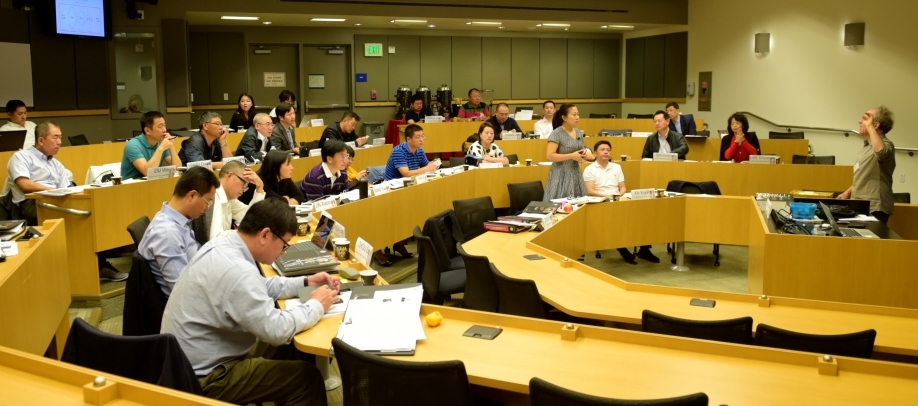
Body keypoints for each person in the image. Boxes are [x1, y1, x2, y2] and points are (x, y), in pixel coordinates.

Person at [161, 198, 339, 406]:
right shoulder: (238, 271)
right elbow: (276, 330)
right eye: (284, 244)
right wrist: (316, 305)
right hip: (204, 379)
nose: (284, 252)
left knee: (291, 343)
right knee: (307, 379)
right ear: (265, 235)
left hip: (187, 362)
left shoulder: (225, 243)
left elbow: (258, 287)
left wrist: (305, 281)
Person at [139, 166, 219, 296]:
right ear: (192, 195)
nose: (207, 208)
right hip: (193, 299)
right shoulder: (167, 234)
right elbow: (183, 292)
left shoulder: (179, 221)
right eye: (208, 201)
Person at [583, 140, 652, 264]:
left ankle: (645, 249)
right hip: (601, 201)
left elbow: (623, 187)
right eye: (602, 150)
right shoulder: (589, 169)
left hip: (617, 199)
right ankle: (622, 249)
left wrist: (619, 195)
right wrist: (608, 196)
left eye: (608, 150)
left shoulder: (616, 167)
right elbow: (590, 191)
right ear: (595, 153)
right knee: (615, 218)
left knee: (641, 214)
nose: (606, 152)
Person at [1, 121, 73, 226]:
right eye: (55, 137)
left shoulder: (56, 164)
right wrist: (53, 191)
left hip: (55, 199)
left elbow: (65, 188)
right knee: (67, 215)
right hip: (32, 203)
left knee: (79, 208)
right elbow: (24, 184)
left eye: (60, 137)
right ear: (41, 140)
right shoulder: (21, 157)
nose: (59, 142)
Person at [838, 106, 897, 224]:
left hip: (875, 206)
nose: (859, 121)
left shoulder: (886, 144)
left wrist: (870, 127)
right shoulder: (866, 147)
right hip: (860, 203)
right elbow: (865, 175)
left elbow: (881, 152)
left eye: (865, 119)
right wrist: (848, 192)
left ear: (875, 125)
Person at [201, 160, 265, 242]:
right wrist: (243, 233)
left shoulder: (229, 198)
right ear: (230, 176)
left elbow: (250, 217)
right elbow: (216, 238)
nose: (244, 190)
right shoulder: (214, 196)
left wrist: (259, 188)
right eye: (244, 184)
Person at [543, 104, 593, 200]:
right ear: (564, 117)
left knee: (578, 203)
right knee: (561, 204)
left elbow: (580, 149)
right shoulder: (556, 133)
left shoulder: (578, 132)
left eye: (578, 114)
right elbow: (549, 156)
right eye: (574, 115)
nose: (577, 117)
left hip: (575, 172)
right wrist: (571, 156)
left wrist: (584, 153)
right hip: (560, 174)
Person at [121, 111, 181, 180]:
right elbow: (147, 173)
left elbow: (178, 168)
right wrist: (161, 148)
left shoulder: (161, 143)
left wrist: (171, 146)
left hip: (151, 183)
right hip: (131, 184)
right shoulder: (133, 145)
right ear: (147, 131)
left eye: (164, 125)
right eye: (160, 126)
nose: (164, 130)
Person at [240, 150, 305, 205]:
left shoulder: (284, 177)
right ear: (275, 167)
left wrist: (287, 201)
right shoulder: (258, 181)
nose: (292, 168)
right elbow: (278, 203)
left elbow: (300, 197)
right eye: (287, 164)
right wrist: (286, 199)